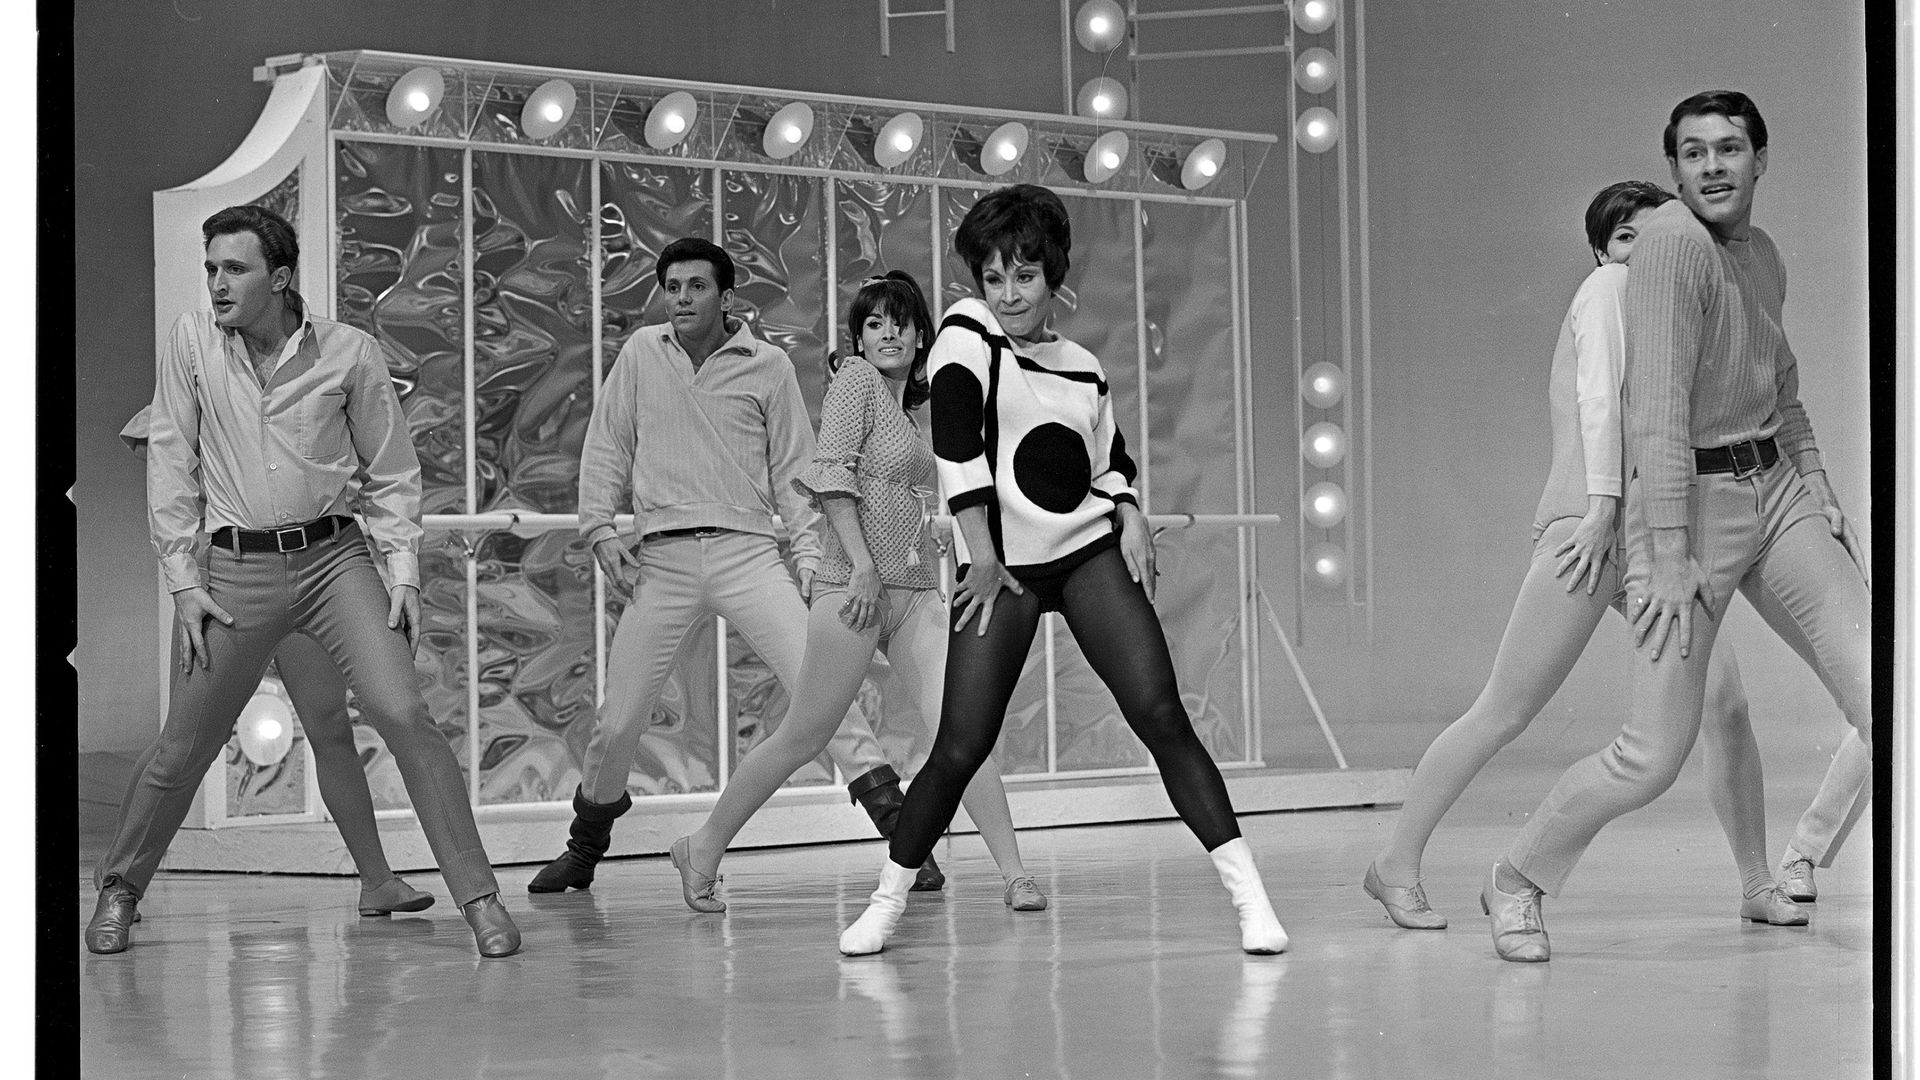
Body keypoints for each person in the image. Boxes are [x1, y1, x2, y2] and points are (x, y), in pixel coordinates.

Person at [837, 184, 1287, 956]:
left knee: (1163, 717)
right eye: (993, 277)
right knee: (960, 746)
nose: (1009, 294)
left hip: (1083, 554)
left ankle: (1252, 901)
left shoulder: (1082, 366)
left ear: (1054, 275)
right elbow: (956, 444)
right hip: (1002, 569)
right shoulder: (965, 333)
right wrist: (981, 554)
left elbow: (1108, 464)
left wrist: (1131, 512)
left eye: (1025, 276)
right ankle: (886, 902)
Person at [1484, 92, 1871, 962]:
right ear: (1674, 170)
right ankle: (1516, 877)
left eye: (1729, 148)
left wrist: (1819, 488)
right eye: (1693, 154)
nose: (1712, 166)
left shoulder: (1761, 254)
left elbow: (1784, 388)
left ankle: (1795, 862)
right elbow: (1655, 415)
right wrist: (1664, 554)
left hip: (1777, 492)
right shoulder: (1669, 249)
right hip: (1691, 508)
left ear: (1760, 159)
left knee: (1893, 695)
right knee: (1654, 753)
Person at [1363, 182, 1805, 931]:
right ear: (1602, 251)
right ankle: (1394, 864)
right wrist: (1601, 511)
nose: (1642, 252)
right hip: (1588, 528)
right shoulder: (1606, 291)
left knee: (1725, 704)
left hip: (1653, 538)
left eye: (1655, 237)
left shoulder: (1670, 304)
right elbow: (1599, 404)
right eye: (1626, 238)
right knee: (1504, 709)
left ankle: (1758, 882)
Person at [87, 205, 520, 958]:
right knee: (185, 743)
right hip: (233, 570)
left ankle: (479, 897)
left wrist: (404, 573)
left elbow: (392, 472)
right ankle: (120, 889)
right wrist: (183, 580)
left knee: (403, 712)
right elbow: (170, 463)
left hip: (333, 562)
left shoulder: (349, 352)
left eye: (236, 269)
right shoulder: (191, 342)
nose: (218, 284)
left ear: (281, 277)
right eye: (211, 268)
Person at [530, 238, 941, 894]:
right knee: (619, 717)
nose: (681, 298)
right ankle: (585, 847)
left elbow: (796, 465)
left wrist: (810, 559)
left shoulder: (768, 364)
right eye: (672, 287)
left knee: (821, 692)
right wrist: (599, 528)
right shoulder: (641, 353)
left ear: (726, 297)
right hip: (662, 560)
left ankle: (900, 833)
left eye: (696, 287)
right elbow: (607, 442)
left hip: (748, 553)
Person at [668, 272, 1045, 914]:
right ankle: (700, 849)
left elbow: (897, 489)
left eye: (900, 321)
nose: (888, 332)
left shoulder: (911, 411)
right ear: (859, 339)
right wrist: (864, 565)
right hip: (855, 588)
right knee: (803, 735)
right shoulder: (857, 382)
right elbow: (832, 476)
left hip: (915, 591)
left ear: (921, 335)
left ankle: (1015, 875)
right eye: (874, 323)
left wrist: (928, 533)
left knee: (965, 730)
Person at [118, 407, 435, 918]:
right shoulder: (204, 378)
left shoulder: (328, 389)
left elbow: (375, 471)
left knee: (330, 725)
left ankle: (377, 881)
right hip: (229, 578)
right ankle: (116, 877)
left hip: (314, 573)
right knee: (183, 740)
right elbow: (151, 446)